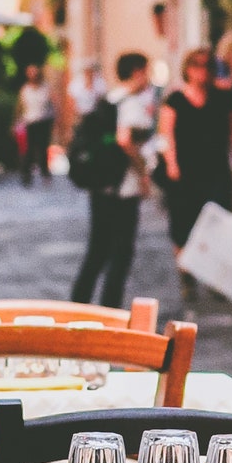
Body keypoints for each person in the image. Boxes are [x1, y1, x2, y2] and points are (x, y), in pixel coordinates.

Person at [69, 50, 156, 308]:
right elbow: (125, 139)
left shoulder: (108, 99)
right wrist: (142, 172)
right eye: (146, 71)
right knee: (121, 252)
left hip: (101, 185)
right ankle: (110, 307)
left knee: (97, 249)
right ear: (137, 72)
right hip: (123, 188)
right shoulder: (130, 103)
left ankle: (79, 303)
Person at [157, 44, 232, 262]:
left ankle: (212, 269)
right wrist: (171, 163)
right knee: (183, 223)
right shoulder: (175, 100)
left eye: (207, 66)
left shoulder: (223, 98)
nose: (202, 71)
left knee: (218, 222)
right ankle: (185, 270)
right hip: (185, 171)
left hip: (216, 169)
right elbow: (166, 135)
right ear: (188, 69)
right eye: (197, 66)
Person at [16, 62, 54, 185]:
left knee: (43, 148)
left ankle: (45, 173)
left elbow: (52, 104)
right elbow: (20, 107)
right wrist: (17, 122)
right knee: (28, 149)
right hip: (30, 121)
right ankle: (26, 175)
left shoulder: (45, 88)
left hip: (43, 121)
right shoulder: (25, 89)